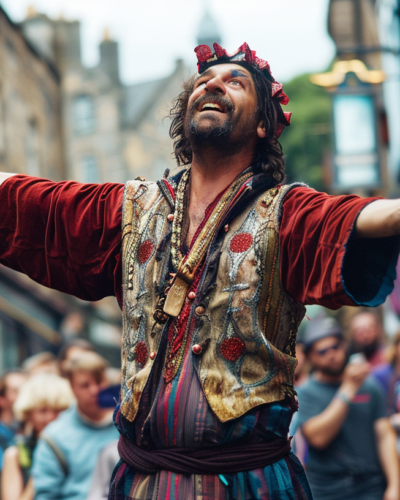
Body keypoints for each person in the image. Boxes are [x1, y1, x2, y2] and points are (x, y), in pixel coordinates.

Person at [1, 42, 400, 499]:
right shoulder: (131, 208)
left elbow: (353, 218)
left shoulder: (286, 212)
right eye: (204, 81)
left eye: (236, 81)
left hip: (248, 484)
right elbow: (32, 203)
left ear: (264, 122)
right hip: (144, 484)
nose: (212, 83)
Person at [296, 317, 399, 500]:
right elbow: (318, 438)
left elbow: (384, 436)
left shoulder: (369, 386)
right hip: (327, 489)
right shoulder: (305, 392)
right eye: (322, 351)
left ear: (344, 346)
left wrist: (394, 485)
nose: (331, 354)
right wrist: (348, 389)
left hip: (371, 486)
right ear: (311, 356)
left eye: (335, 347)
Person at [31, 351, 118, 500]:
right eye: (85, 385)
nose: (94, 390)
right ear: (72, 388)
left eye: (99, 382)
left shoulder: (127, 424)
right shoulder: (55, 435)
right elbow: (46, 494)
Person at [1, 373, 74, 500]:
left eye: (58, 410)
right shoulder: (15, 454)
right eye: (43, 410)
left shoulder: (76, 448)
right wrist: (43, 469)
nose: (51, 418)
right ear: (28, 413)